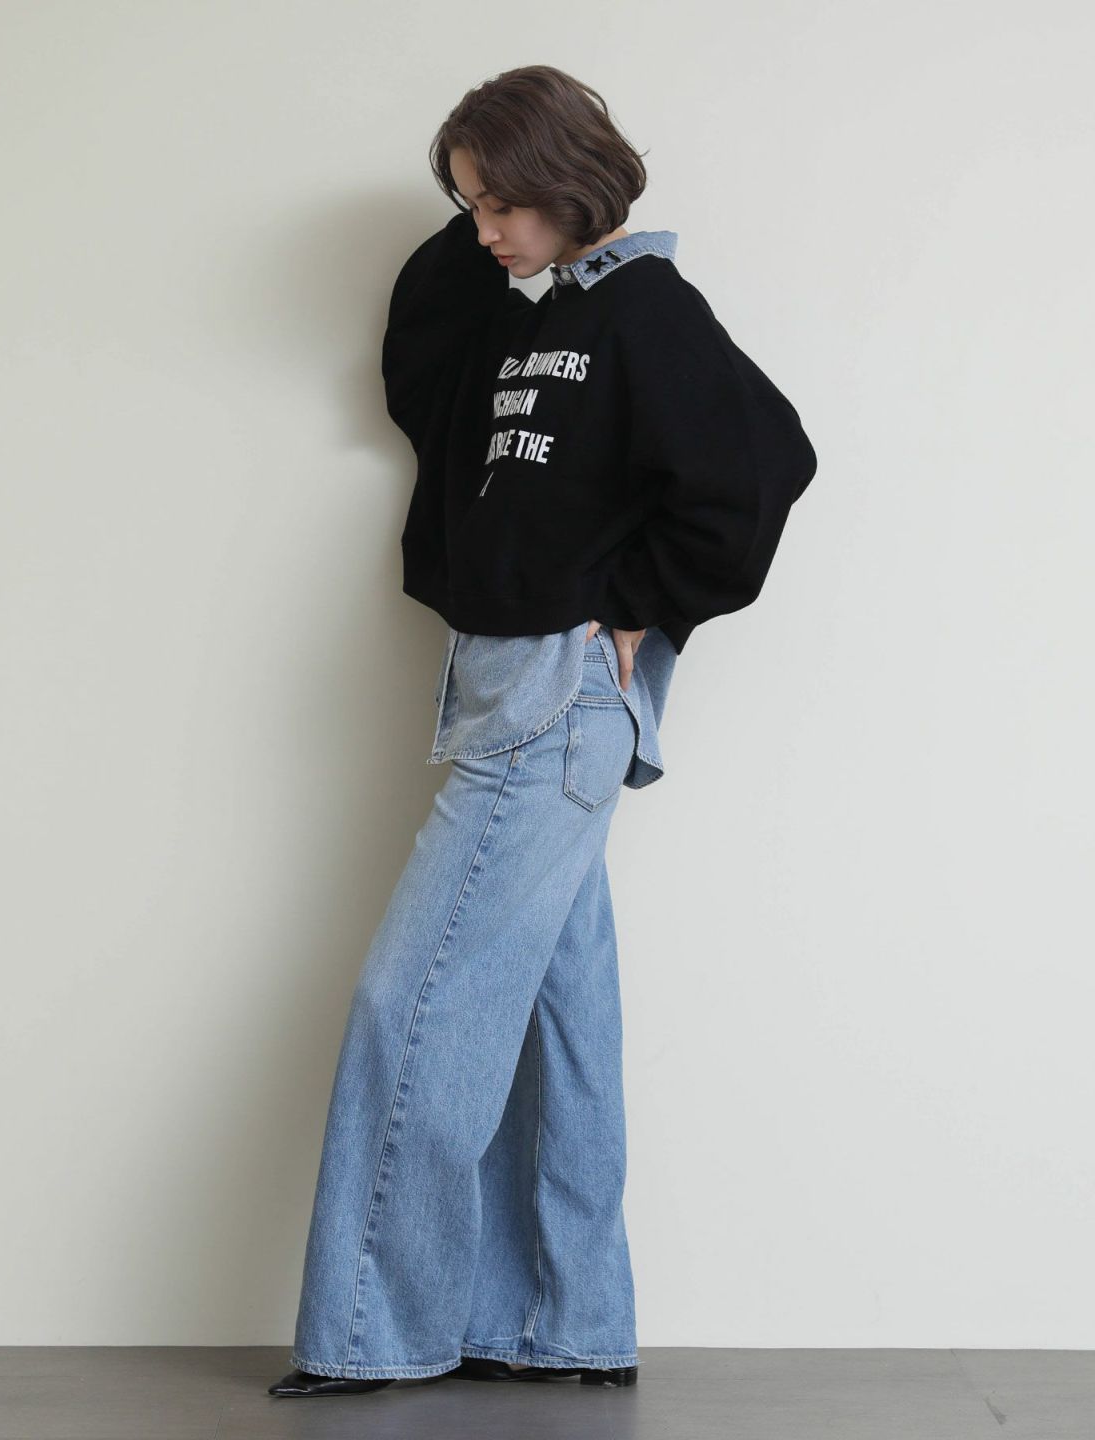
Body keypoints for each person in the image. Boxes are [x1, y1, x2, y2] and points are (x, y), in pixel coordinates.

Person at [269, 63, 816, 1399]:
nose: (484, 232)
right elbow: (423, 370)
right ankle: (561, 1320)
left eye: (503, 204)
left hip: (555, 701)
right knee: (553, 1025)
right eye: (470, 205)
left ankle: (374, 1330)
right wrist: (493, 219)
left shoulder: (645, 309)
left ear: (570, 185)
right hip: (505, 688)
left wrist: (643, 606)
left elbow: (766, 460)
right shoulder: (532, 315)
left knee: (414, 1003)